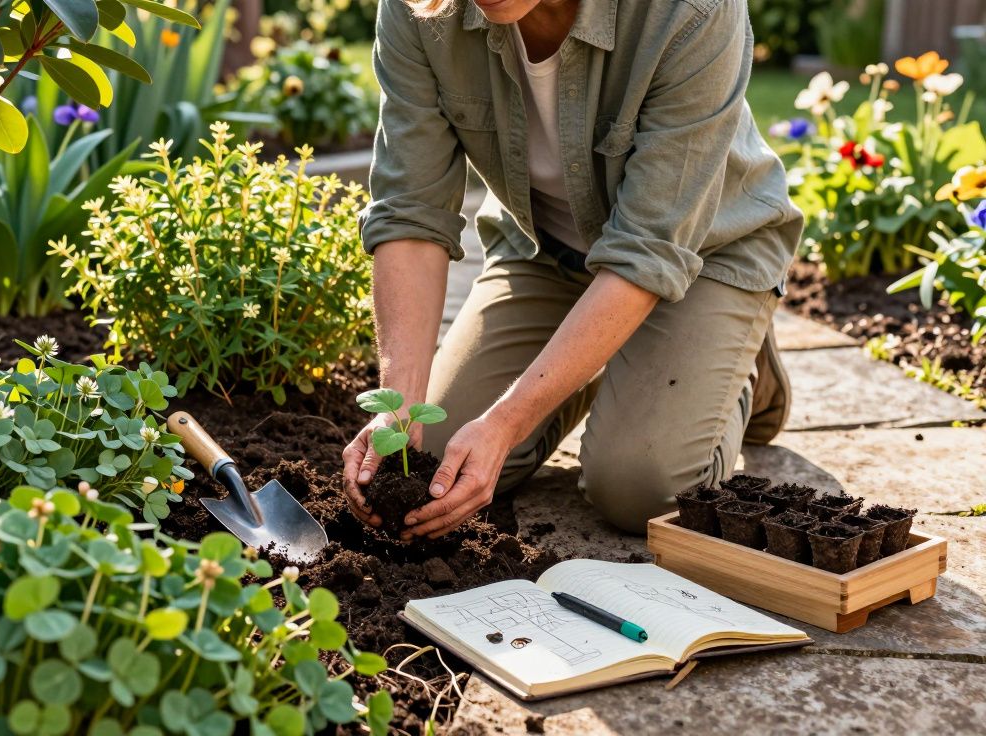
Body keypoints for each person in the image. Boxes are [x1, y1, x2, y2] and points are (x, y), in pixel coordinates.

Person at [342, 0, 803, 539]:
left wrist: (509, 419)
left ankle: (737, 351)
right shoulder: (421, 8)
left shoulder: (692, 11)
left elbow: (649, 248)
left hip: (704, 255)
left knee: (641, 489)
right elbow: (410, 213)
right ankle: (601, 357)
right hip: (546, 251)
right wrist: (399, 411)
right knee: (440, 456)